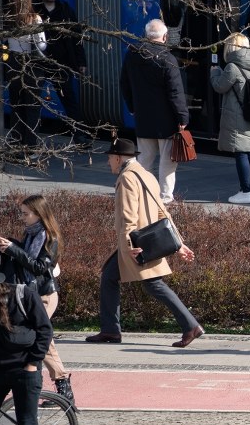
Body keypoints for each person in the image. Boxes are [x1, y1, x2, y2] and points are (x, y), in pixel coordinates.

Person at [87, 138, 202, 348]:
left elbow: (128, 216)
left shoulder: (127, 178)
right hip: (147, 241)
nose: (108, 162)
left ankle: (191, 326)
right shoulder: (147, 174)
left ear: (118, 158)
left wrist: (129, 245)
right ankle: (110, 330)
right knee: (109, 276)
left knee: (154, 285)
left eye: (110, 157)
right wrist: (178, 243)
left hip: (137, 244)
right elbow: (162, 212)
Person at [0, 195, 74, 406]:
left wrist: (13, 249)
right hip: (30, 294)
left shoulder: (50, 238)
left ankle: (60, 388)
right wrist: (9, 244)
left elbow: (39, 267)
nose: (22, 217)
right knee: (42, 338)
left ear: (39, 214)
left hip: (45, 295)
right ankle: (62, 389)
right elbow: (24, 258)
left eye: (26, 213)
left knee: (40, 337)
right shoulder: (31, 234)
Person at [121, 19, 190, 203]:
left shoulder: (132, 55)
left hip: (143, 117)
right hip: (166, 121)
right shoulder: (168, 59)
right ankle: (165, 197)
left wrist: (132, 107)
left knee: (144, 159)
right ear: (165, 36)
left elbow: (124, 84)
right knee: (167, 161)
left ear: (146, 35)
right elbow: (175, 93)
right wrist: (182, 117)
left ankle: (142, 194)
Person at [211, 32, 250, 206]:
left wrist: (214, 73)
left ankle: (246, 191)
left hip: (237, 115)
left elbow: (220, 86)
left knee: (241, 152)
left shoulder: (232, 67)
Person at [34, 0, 89, 144]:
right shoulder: (34, 10)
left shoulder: (65, 9)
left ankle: (80, 135)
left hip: (61, 63)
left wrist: (81, 61)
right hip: (38, 62)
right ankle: (30, 139)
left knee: (69, 99)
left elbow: (77, 36)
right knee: (33, 100)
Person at [0, 271, 52, 425]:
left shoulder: (23, 294)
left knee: (26, 420)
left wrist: (32, 364)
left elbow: (45, 330)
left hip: (25, 368)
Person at [4, 0, 46, 149]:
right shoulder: (35, 19)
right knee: (32, 107)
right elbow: (41, 45)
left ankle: (16, 143)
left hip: (13, 64)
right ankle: (31, 146)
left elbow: (4, 42)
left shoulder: (7, 19)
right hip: (31, 64)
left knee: (16, 106)